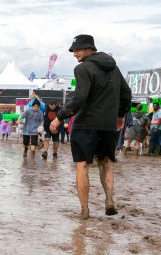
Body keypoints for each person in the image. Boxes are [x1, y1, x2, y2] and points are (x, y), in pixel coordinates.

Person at [49, 34, 131, 220]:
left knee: (82, 165)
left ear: (89, 49)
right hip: (108, 125)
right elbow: (126, 92)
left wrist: (59, 117)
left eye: (77, 50)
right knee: (105, 162)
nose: (74, 54)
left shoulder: (83, 68)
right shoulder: (114, 68)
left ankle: (85, 210)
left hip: (86, 124)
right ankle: (109, 199)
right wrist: (120, 116)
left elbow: (80, 98)